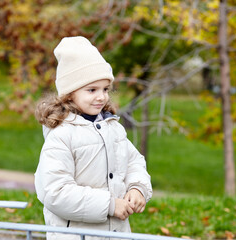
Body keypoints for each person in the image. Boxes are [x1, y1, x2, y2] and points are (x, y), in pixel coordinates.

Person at [34, 36, 153, 240]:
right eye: (92, 90)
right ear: (70, 94)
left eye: (105, 89)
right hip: (76, 235)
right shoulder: (62, 135)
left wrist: (137, 187)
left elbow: (134, 161)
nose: (102, 97)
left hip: (116, 234)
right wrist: (110, 205)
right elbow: (55, 192)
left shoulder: (112, 128)